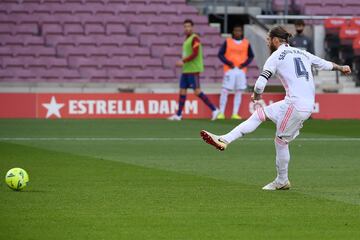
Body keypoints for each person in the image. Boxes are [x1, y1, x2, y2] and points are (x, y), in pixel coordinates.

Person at [200, 26, 351, 190]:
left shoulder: (276, 55)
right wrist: (342, 67)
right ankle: (224, 139)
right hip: (300, 103)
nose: (267, 43)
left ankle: (282, 180)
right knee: (259, 115)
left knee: (281, 141)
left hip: (295, 104)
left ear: (275, 40)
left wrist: (257, 94)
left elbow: (261, 81)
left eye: (268, 40)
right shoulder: (301, 53)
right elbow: (325, 64)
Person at [168, 19, 220, 121]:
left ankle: (214, 109)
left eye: (189, 26)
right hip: (186, 70)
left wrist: (183, 60)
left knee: (197, 91)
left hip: (193, 69)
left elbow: (195, 53)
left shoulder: (195, 38)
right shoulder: (187, 39)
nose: (187, 28)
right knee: (182, 91)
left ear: (192, 27)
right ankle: (178, 115)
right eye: (185, 26)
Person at [217, 24, 254, 120]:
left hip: (241, 71)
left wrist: (244, 64)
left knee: (239, 91)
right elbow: (220, 54)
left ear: (242, 32)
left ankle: (235, 113)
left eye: (239, 31)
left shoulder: (246, 43)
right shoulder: (228, 41)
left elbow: (251, 56)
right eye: (236, 31)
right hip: (230, 70)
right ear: (233, 32)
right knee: (225, 90)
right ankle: (221, 113)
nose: (237, 32)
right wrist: (228, 63)